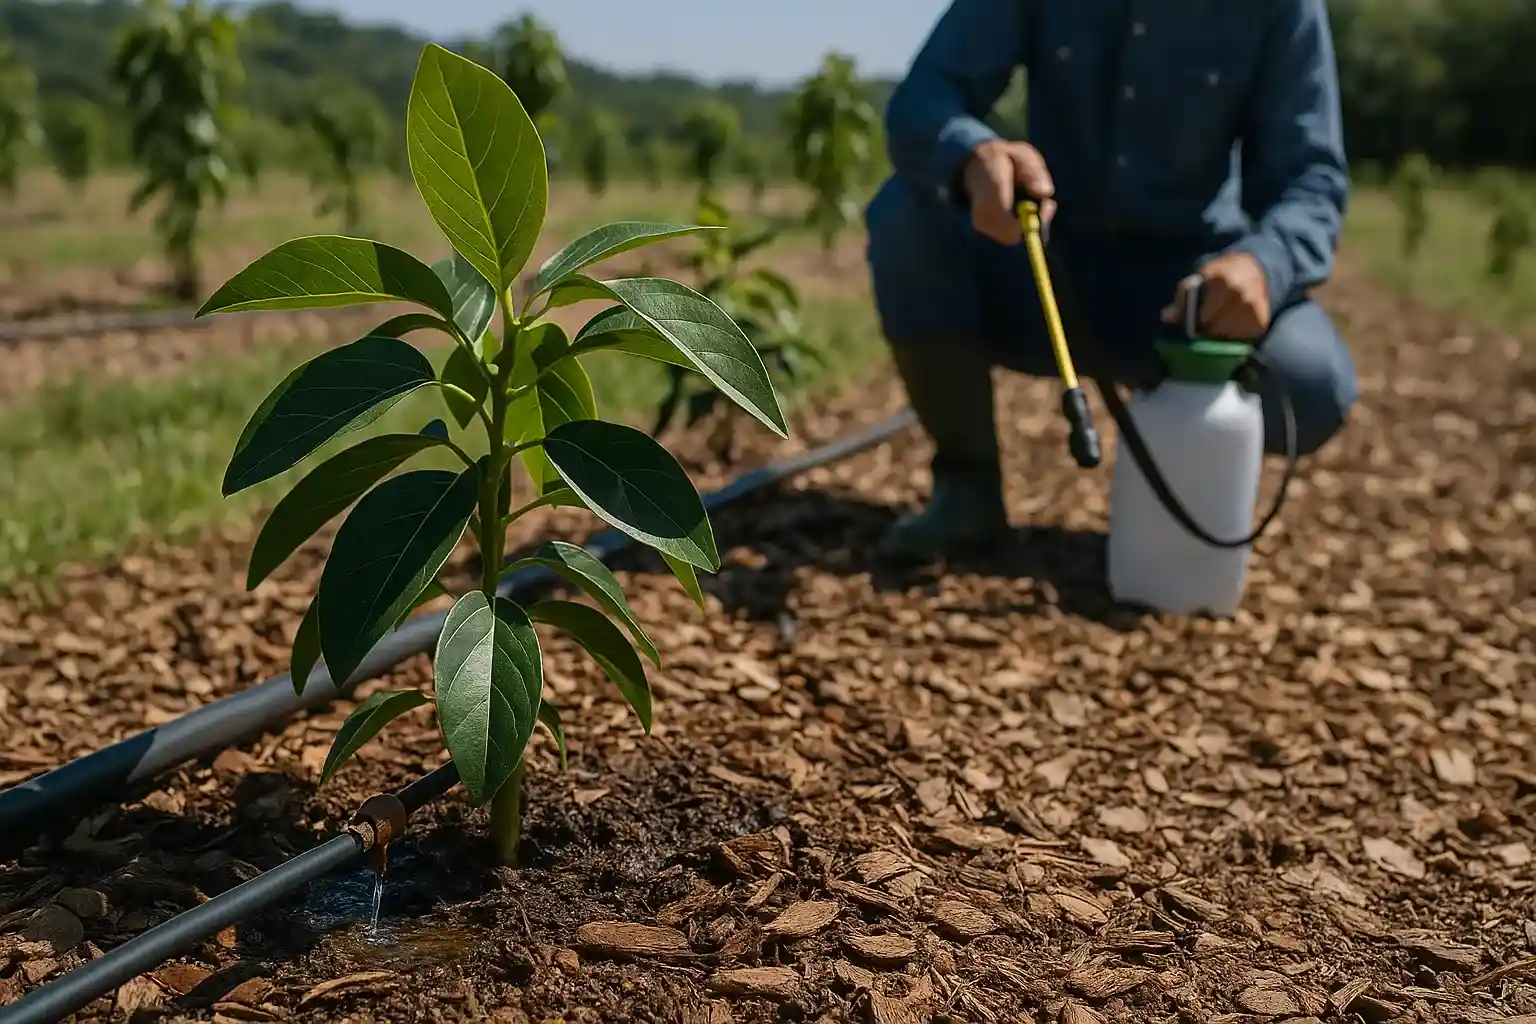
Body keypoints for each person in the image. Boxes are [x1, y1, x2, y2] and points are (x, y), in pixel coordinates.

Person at [865, 0, 1359, 561]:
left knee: (1312, 383)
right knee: (904, 212)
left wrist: (1262, 266)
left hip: (1189, 296)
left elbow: (1310, 178)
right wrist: (973, 156)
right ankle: (966, 488)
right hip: (1045, 270)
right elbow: (924, 98)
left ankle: (1186, 488)